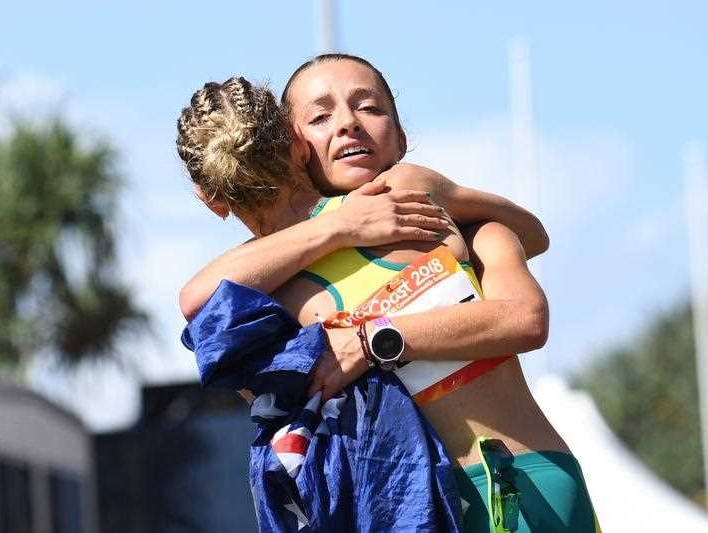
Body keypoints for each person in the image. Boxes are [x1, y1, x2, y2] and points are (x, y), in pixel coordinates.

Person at [178, 54, 599, 532]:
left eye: (369, 108)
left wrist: (372, 338)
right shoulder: (266, 294)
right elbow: (197, 298)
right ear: (296, 144)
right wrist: (340, 226)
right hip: (416, 510)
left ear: (208, 199)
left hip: (513, 484)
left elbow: (527, 298)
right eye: (320, 116)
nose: (347, 125)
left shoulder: (404, 193)